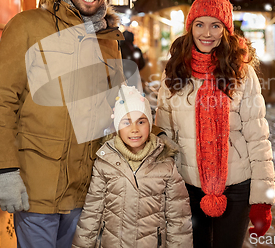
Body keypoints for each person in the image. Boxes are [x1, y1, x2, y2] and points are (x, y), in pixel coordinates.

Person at [0, 0, 125, 248]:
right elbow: (0, 100)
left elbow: (119, 108)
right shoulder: (28, 25)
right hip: (37, 183)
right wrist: (5, 169)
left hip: (85, 186)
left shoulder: (109, 40)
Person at [155, 0, 275, 248]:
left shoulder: (242, 74)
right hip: (187, 186)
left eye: (215, 25)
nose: (206, 33)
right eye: (200, 24)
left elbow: (258, 138)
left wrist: (262, 199)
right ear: (190, 27)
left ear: (225, 30)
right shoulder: (175, 73)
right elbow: (163, 134)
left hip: (236, 185)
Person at [72, 85, 193, 248]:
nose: (134, 129)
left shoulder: (166, 165)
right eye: (126, 122)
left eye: (141, 121)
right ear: (117, 126)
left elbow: (178, 219)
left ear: (149, 124)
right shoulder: (105, 162)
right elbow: (92, 214)